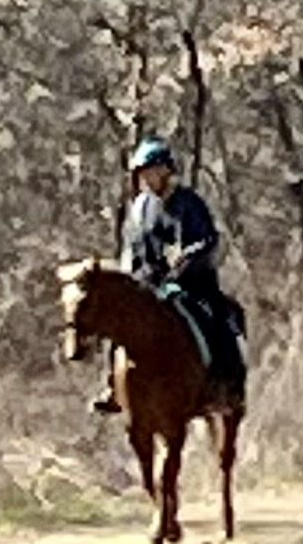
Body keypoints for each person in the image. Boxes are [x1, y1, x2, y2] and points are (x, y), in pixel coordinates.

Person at [100, 137, 244, 411]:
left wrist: (183, 262)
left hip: (191, 283)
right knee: (120, 321)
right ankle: (113, 385)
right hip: (150, 284)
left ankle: (224, 384)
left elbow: (206, 240)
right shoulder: (140, 208)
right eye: (142, 173)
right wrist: (132, 276)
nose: (146, 179)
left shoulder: (189, 203)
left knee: (218, 317)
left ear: (165, 171)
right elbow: (134, 247)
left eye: (151, 172)